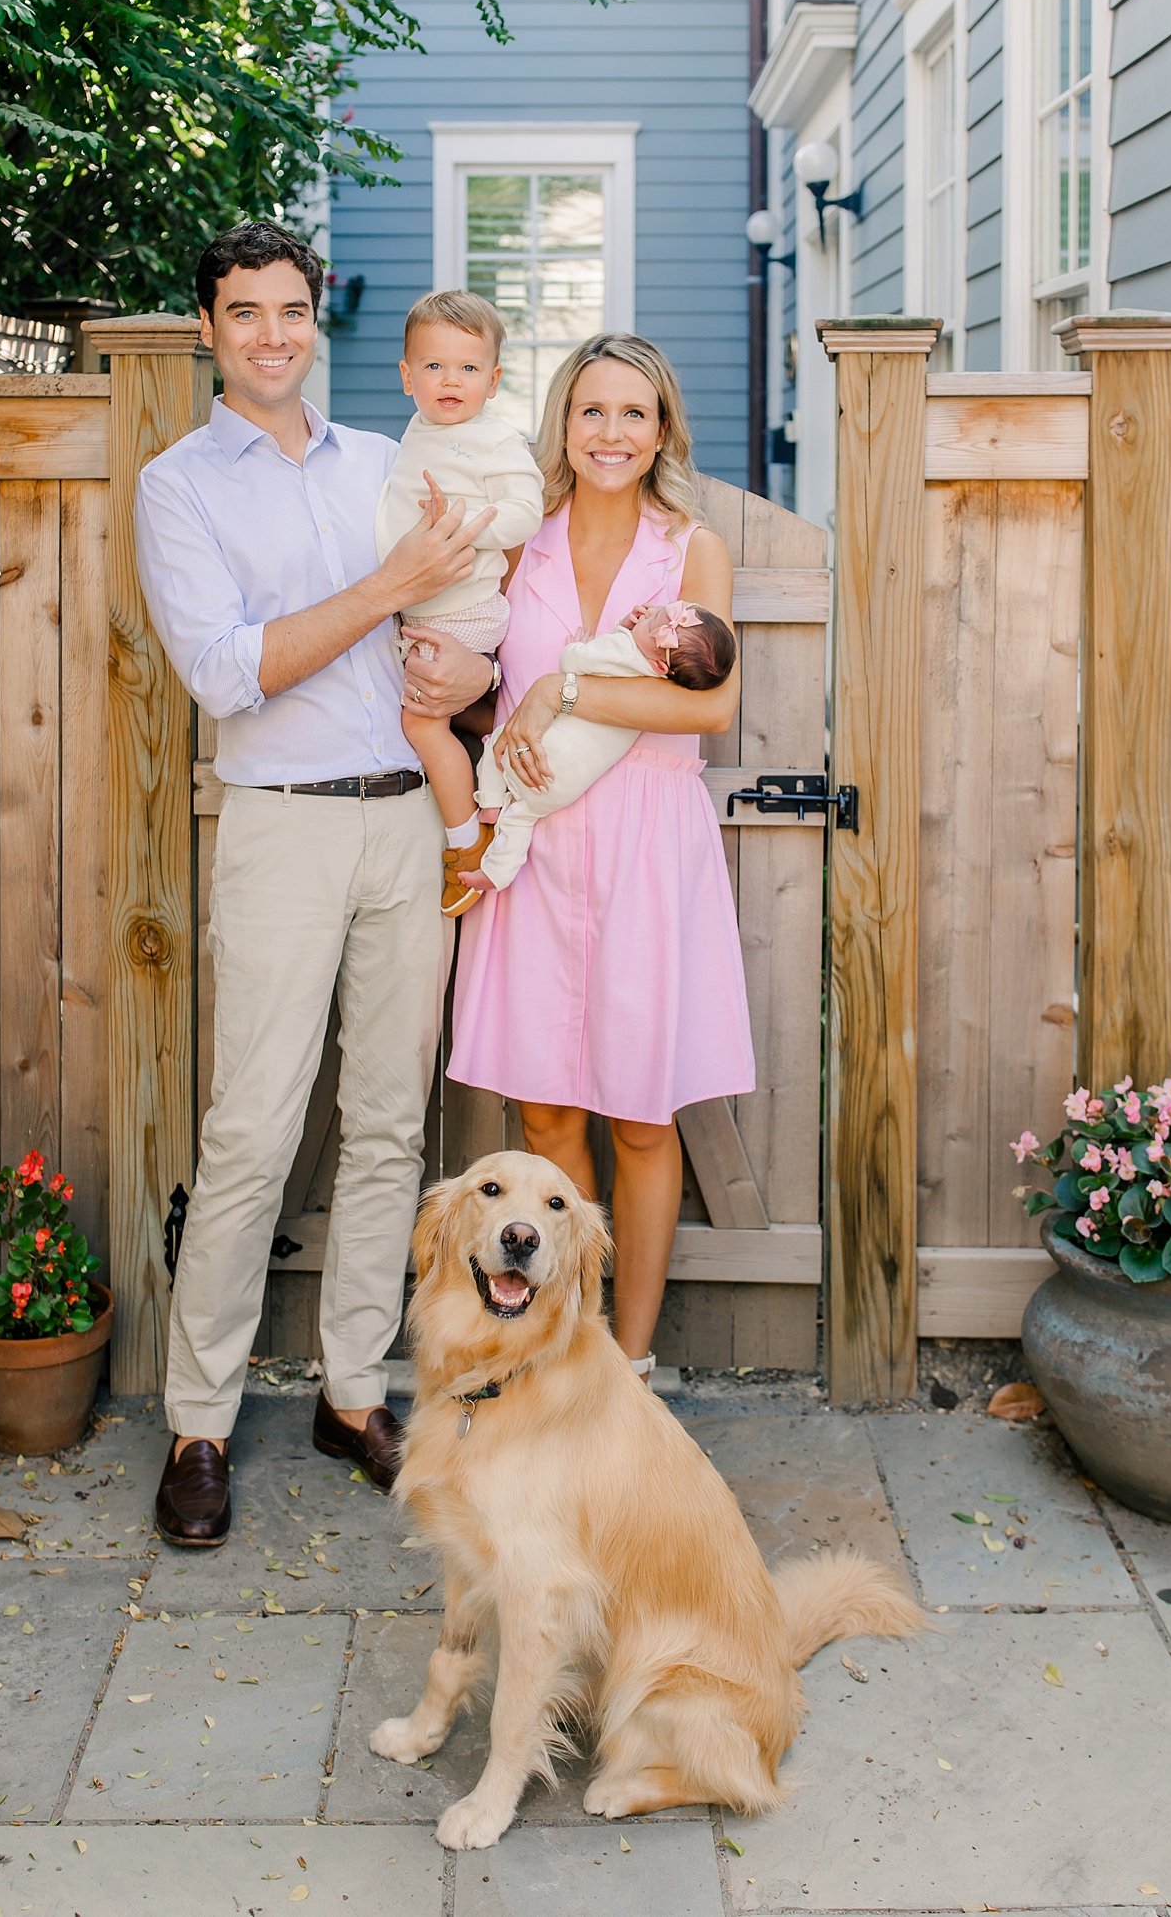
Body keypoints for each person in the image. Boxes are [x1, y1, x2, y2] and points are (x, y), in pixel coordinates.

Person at [133, 220, 498, 1548]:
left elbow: (456, 613)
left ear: (311, 320)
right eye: (246, 314)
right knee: (252, 1130)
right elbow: (228, 672)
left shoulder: (387, 464)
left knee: (393, 1123)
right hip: (281, 827)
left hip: (410, 819)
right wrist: (388, 584)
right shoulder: (177, 487)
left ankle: (354, 1394)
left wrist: (469, 674)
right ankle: (200, 1419)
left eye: (292, 311)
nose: (274, 334)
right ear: (210, 328)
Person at [448, 331, 755, 1378]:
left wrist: (564, 688)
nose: (611, 433)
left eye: (633, 413)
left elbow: (709, 699)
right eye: (591, 412)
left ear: (661, 427)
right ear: (563, 427)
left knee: (639, 1112)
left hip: (647, 849)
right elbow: (478, 679)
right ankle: (557, 1350)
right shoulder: (519, 542)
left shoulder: (690, 547)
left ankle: (626, 1366)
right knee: (543, 1109)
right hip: (534, 847)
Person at [374, 290, 544, 915]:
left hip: (461, 610)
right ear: (407, 376)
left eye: (469, 369)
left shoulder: (497, 441)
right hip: (419, 605)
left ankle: (465, 844)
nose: (452, 380)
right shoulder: (417, 431)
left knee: (421, 723)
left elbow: (526, 513)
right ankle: (490, 801)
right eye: (435, 366)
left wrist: (461, 523)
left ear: (494, 380)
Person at [460, 600, 736, 904]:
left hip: (546, 754)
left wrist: (579, 646)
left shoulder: (624, 650)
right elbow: (626, 666)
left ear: (660, 664)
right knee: (523, 817)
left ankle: (489, 801)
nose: (644, 615)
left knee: (498, 741)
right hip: (565, 785)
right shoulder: (659, 684)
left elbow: (574, 664)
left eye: (651, 620)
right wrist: (634, 628)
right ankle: (497, 873)